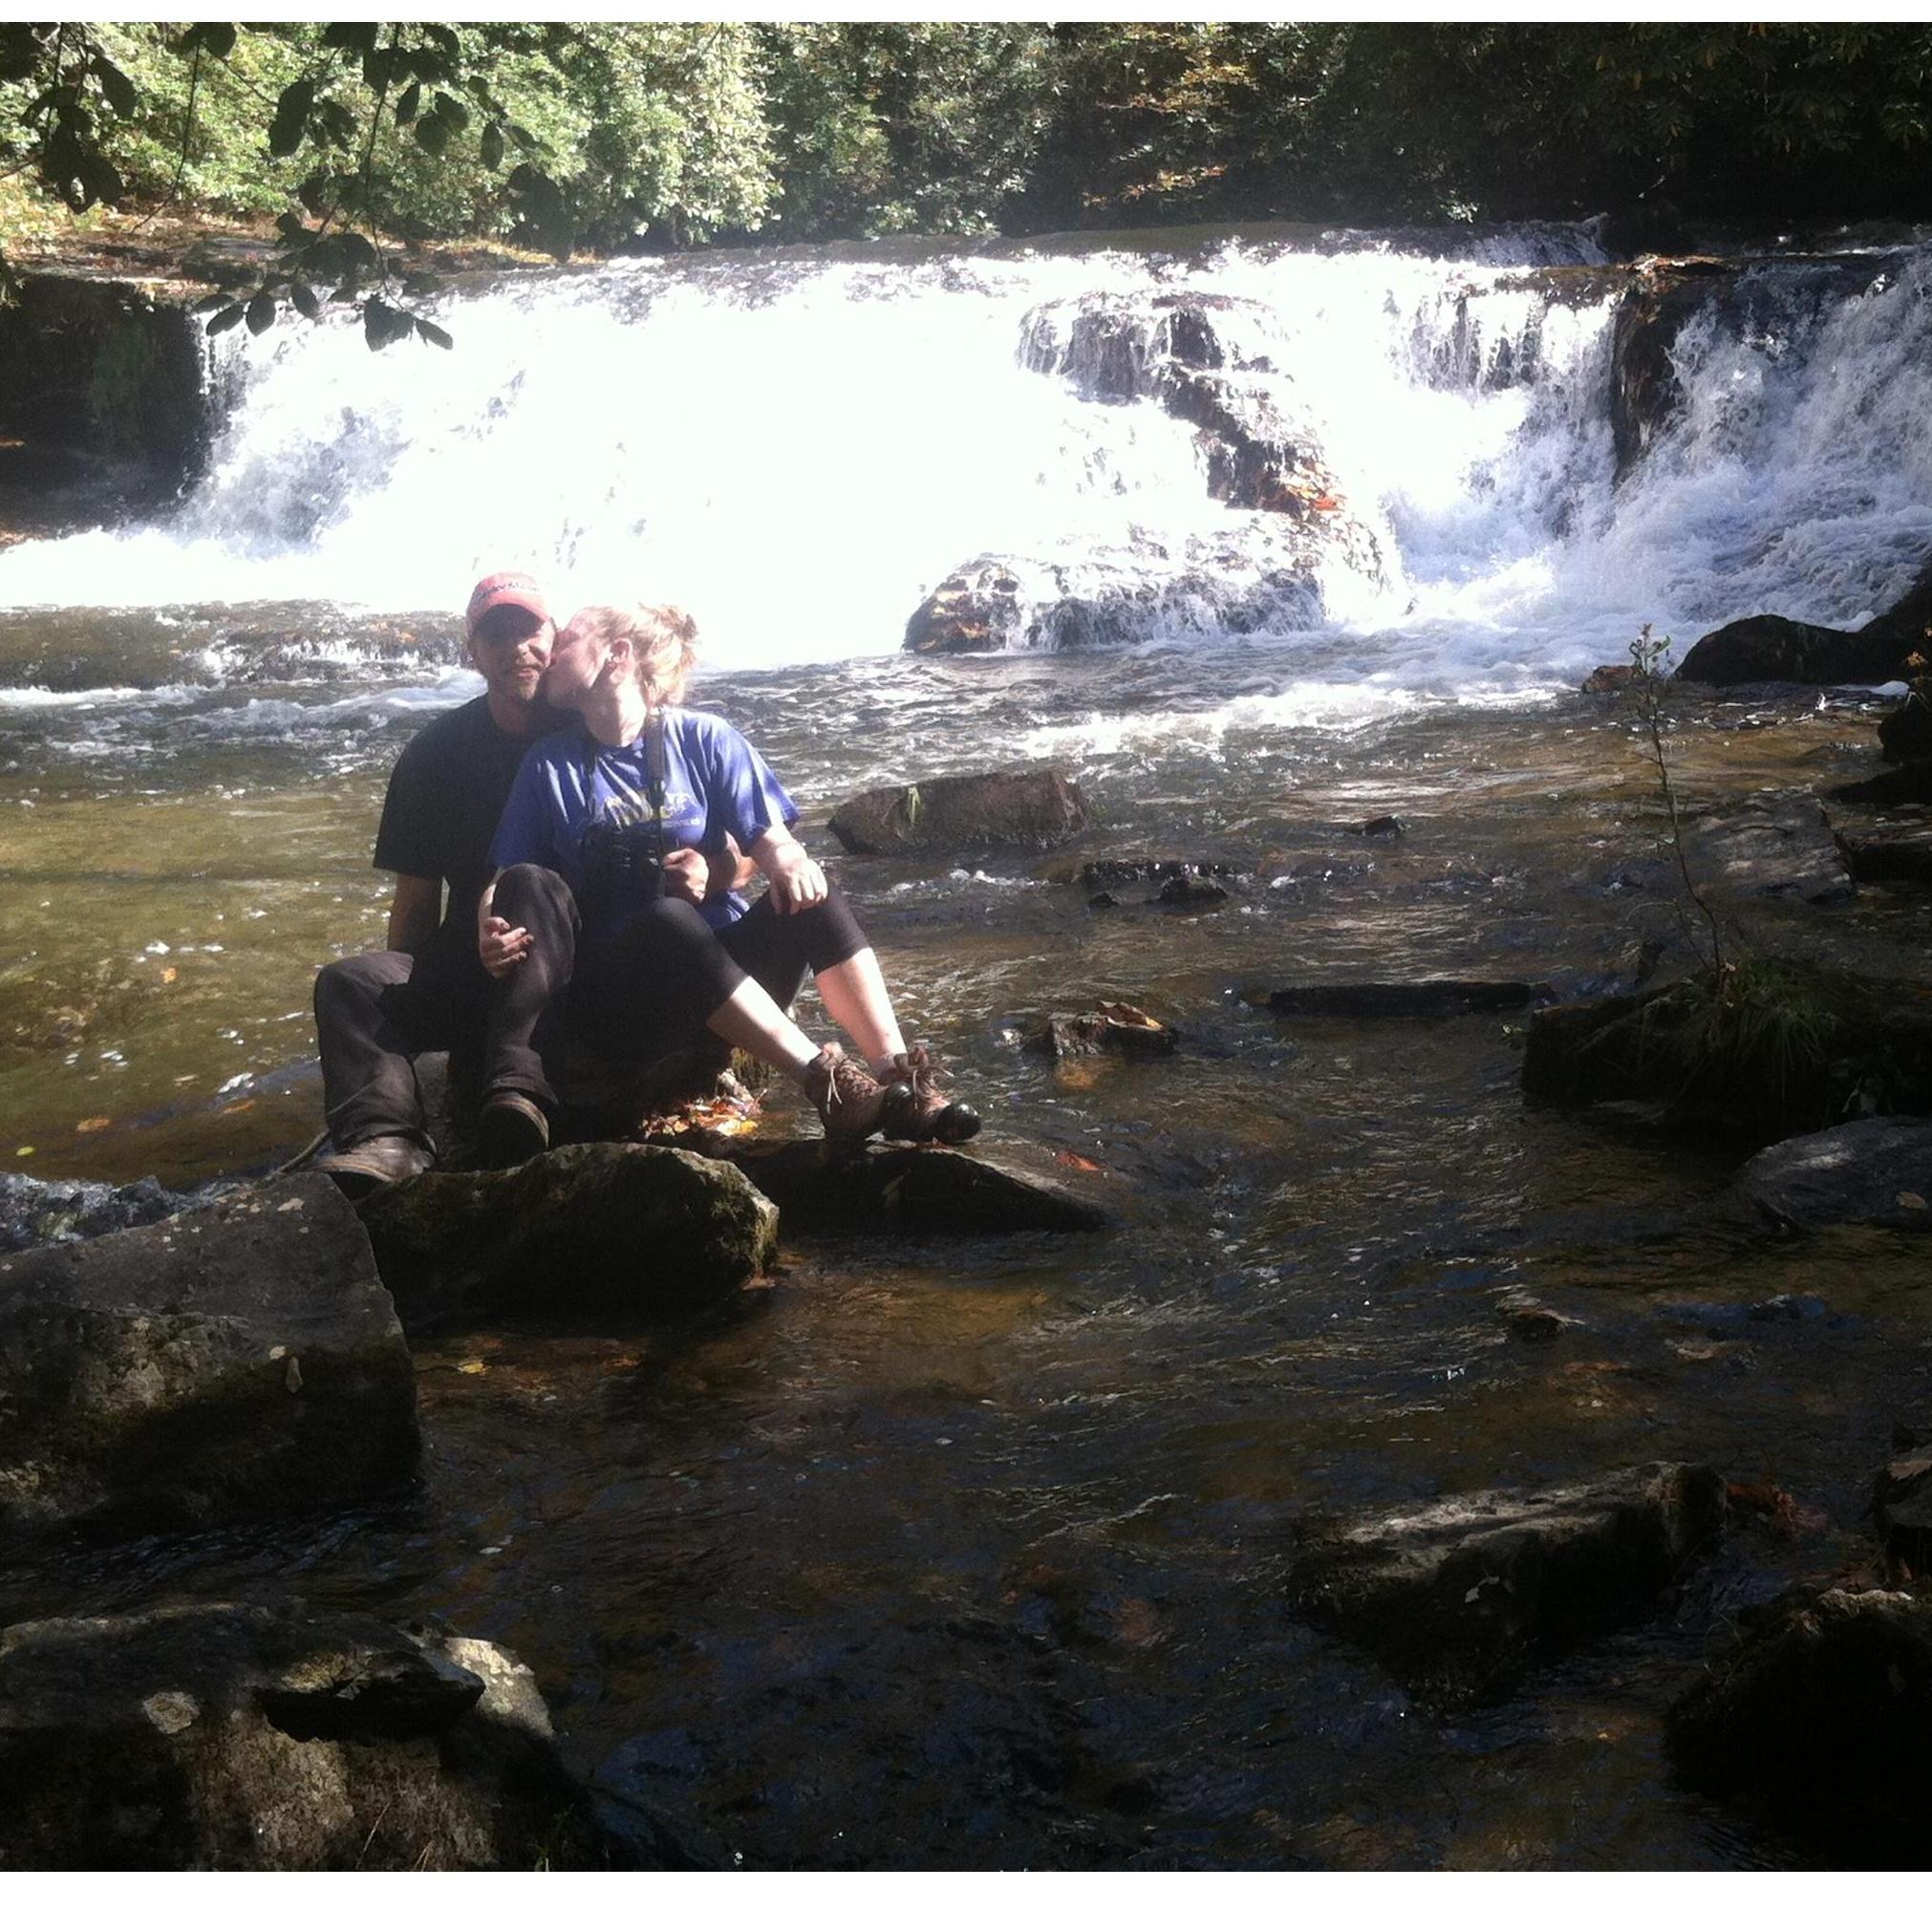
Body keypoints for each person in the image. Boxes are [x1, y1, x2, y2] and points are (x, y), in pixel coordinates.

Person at [472, 600, 980, 1165]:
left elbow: (771, 839)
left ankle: (900, 1081)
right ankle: (827, 1085)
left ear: (617, 655)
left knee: (813, 889)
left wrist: (787, 860)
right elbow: (506, 878)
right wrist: (487, 929)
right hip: (623, 1002)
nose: (551, 654)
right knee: (669, 919)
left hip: (730, 985)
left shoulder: (706, 738)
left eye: (567, 641)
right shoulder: (549, 764)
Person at [311, 570, 563, 1194]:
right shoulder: (434, 754)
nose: (517, 648)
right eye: (496, 635)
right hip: (474, 960)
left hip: (571, 961)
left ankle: (516, 1083)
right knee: (349, 985)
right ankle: (386, 1138)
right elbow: (416, 904)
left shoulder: (591, 729)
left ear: (556, 635)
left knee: (528, 881)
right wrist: (398, 1021)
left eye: (528, 629)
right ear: (471, 652)